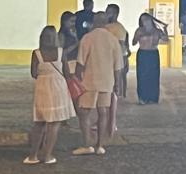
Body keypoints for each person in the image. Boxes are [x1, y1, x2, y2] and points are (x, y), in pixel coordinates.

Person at [25, 26, 76, 165]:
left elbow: (33, 73)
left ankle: (33, 156)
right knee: (54, 124)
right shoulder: (61, 52)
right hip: (58, 88)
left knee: (39, 123)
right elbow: (66, 72)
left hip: (42, 88)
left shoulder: (36, 53)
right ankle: (47, 155)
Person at [73, 11, 123, 154]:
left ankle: (87, 143)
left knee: (84, 113)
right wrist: (118, 84)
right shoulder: (113, 40)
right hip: (107, 82)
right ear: (106, 23)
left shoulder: (87, 38)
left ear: (94, 22)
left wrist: (77, 79)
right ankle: (100, 145)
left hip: (89, 81)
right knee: (103, 113)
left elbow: (80, 63)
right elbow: (118, 67)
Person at [133, 11, 169, 103]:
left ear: (151, 20)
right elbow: (133, 43)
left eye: (147, 19)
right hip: (142, 54)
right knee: (142, 76)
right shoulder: (139, 30)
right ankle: (142, 97)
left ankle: (153, 97)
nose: (145, 22)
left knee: (153, 76)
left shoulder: (157, 31)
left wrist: (165, 29)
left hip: (153, 54)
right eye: (143, 20)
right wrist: (139, 36)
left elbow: (166, 40)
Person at [105, 3, 130, 99]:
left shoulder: (118, 28)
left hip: (117, 57)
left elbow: (119, 44)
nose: (106, 14)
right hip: (110, 57)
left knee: (118, 77)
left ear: (115, 14)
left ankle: (119, 95)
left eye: (109, 12)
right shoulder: (107, 26)